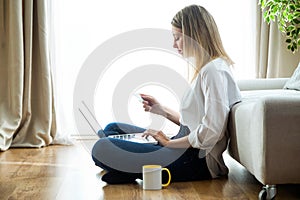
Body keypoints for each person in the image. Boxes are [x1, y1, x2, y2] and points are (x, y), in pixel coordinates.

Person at [92, 4, 241, 184]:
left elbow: (211, 131)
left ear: (195, 35)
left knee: (101, 148)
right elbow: (196, 123)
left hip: (195, 160)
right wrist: (162, 110)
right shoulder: (208, 69)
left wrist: (168, 143)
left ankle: (131, 169)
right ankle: (133, 169)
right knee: (112, 129)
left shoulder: (213, 71)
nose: (174, 44)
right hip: (183, 147)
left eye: (177, 37)